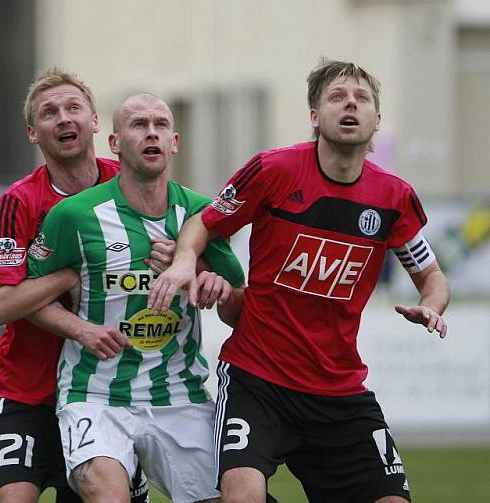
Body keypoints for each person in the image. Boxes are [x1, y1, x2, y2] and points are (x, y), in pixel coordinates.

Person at [148, 59, 451, 503]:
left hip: (339, 389)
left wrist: (431, 305)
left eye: (361, 99)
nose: (350, 105)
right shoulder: (274, 171)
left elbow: (433, 278)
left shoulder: (394, 197)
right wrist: (184, 260)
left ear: (377, 120)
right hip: (258, 378)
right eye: (337, 97)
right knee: (241, 495)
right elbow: (205, 220)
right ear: (314, 116)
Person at [26, 92, 245, 503]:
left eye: (161, 125)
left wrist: (208, 281)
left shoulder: (201, 213)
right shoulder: (75, 215)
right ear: (114, 143)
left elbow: (239, 307)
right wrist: (81, 330)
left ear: (174, 141)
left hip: (180, 394)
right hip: (96, 394)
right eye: (139, 125)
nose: (151, 134)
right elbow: (29, 297)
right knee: (106, 495)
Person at [0, 68, 153, 502]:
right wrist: (71, 275)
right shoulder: (20, 201)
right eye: (49, 113)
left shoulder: (132, 186)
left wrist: (181, 257)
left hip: (106, 392)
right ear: (34, 133)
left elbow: (184, 235)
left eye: (74, 108)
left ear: (95, 122)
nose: (64, 119)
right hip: (28, 389)